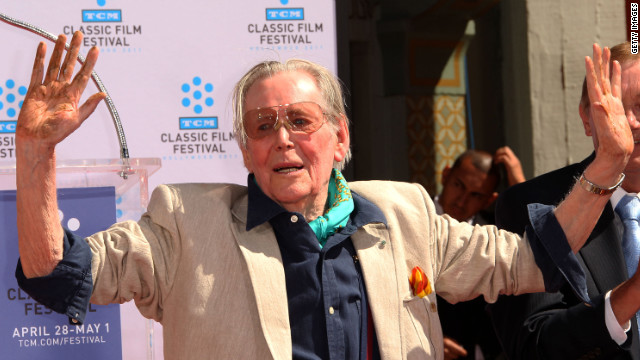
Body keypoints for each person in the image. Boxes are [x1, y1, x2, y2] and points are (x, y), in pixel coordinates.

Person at [13, 31, 633, 359]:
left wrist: (608, 163)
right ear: (246, 149)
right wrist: (36, 158)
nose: (280, 139)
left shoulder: (406, 212)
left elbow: (531, 259)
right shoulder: (183, 223)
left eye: (299, 121)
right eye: (262, 126)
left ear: (341, 139)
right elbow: (58, 276)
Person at [488, 41, 640, 359]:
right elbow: (532, 343)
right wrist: (630, 296)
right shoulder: (534, 207)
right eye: (612, 107)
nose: (631, 121)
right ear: (587, 119)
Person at [435, 149, 524, 359]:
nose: (462, 200)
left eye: (475, 195)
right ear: (446, 175)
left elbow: (539, 245)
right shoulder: (412, 217)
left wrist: (519, 184)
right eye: (458, 185)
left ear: (489, 200)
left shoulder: (497, 233)